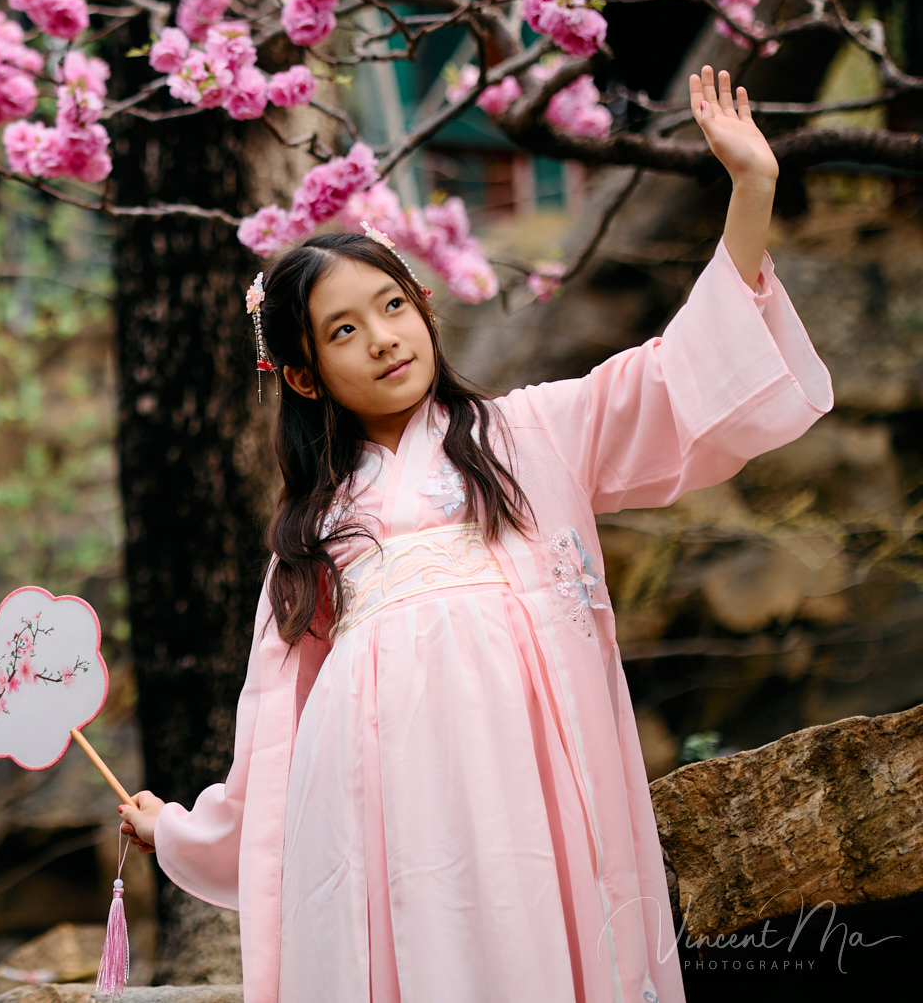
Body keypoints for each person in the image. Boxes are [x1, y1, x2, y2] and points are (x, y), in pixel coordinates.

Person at [115, 67, 832, 1002]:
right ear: (303, 375)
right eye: (342, 329)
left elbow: (677, 377)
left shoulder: (530, 433)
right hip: (378, 819)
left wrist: (751, 192)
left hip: (526, 786)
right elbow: (273, 738)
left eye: (393, 305)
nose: (382, 337)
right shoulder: (311, 539)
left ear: (424, 307)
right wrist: (177, 827)